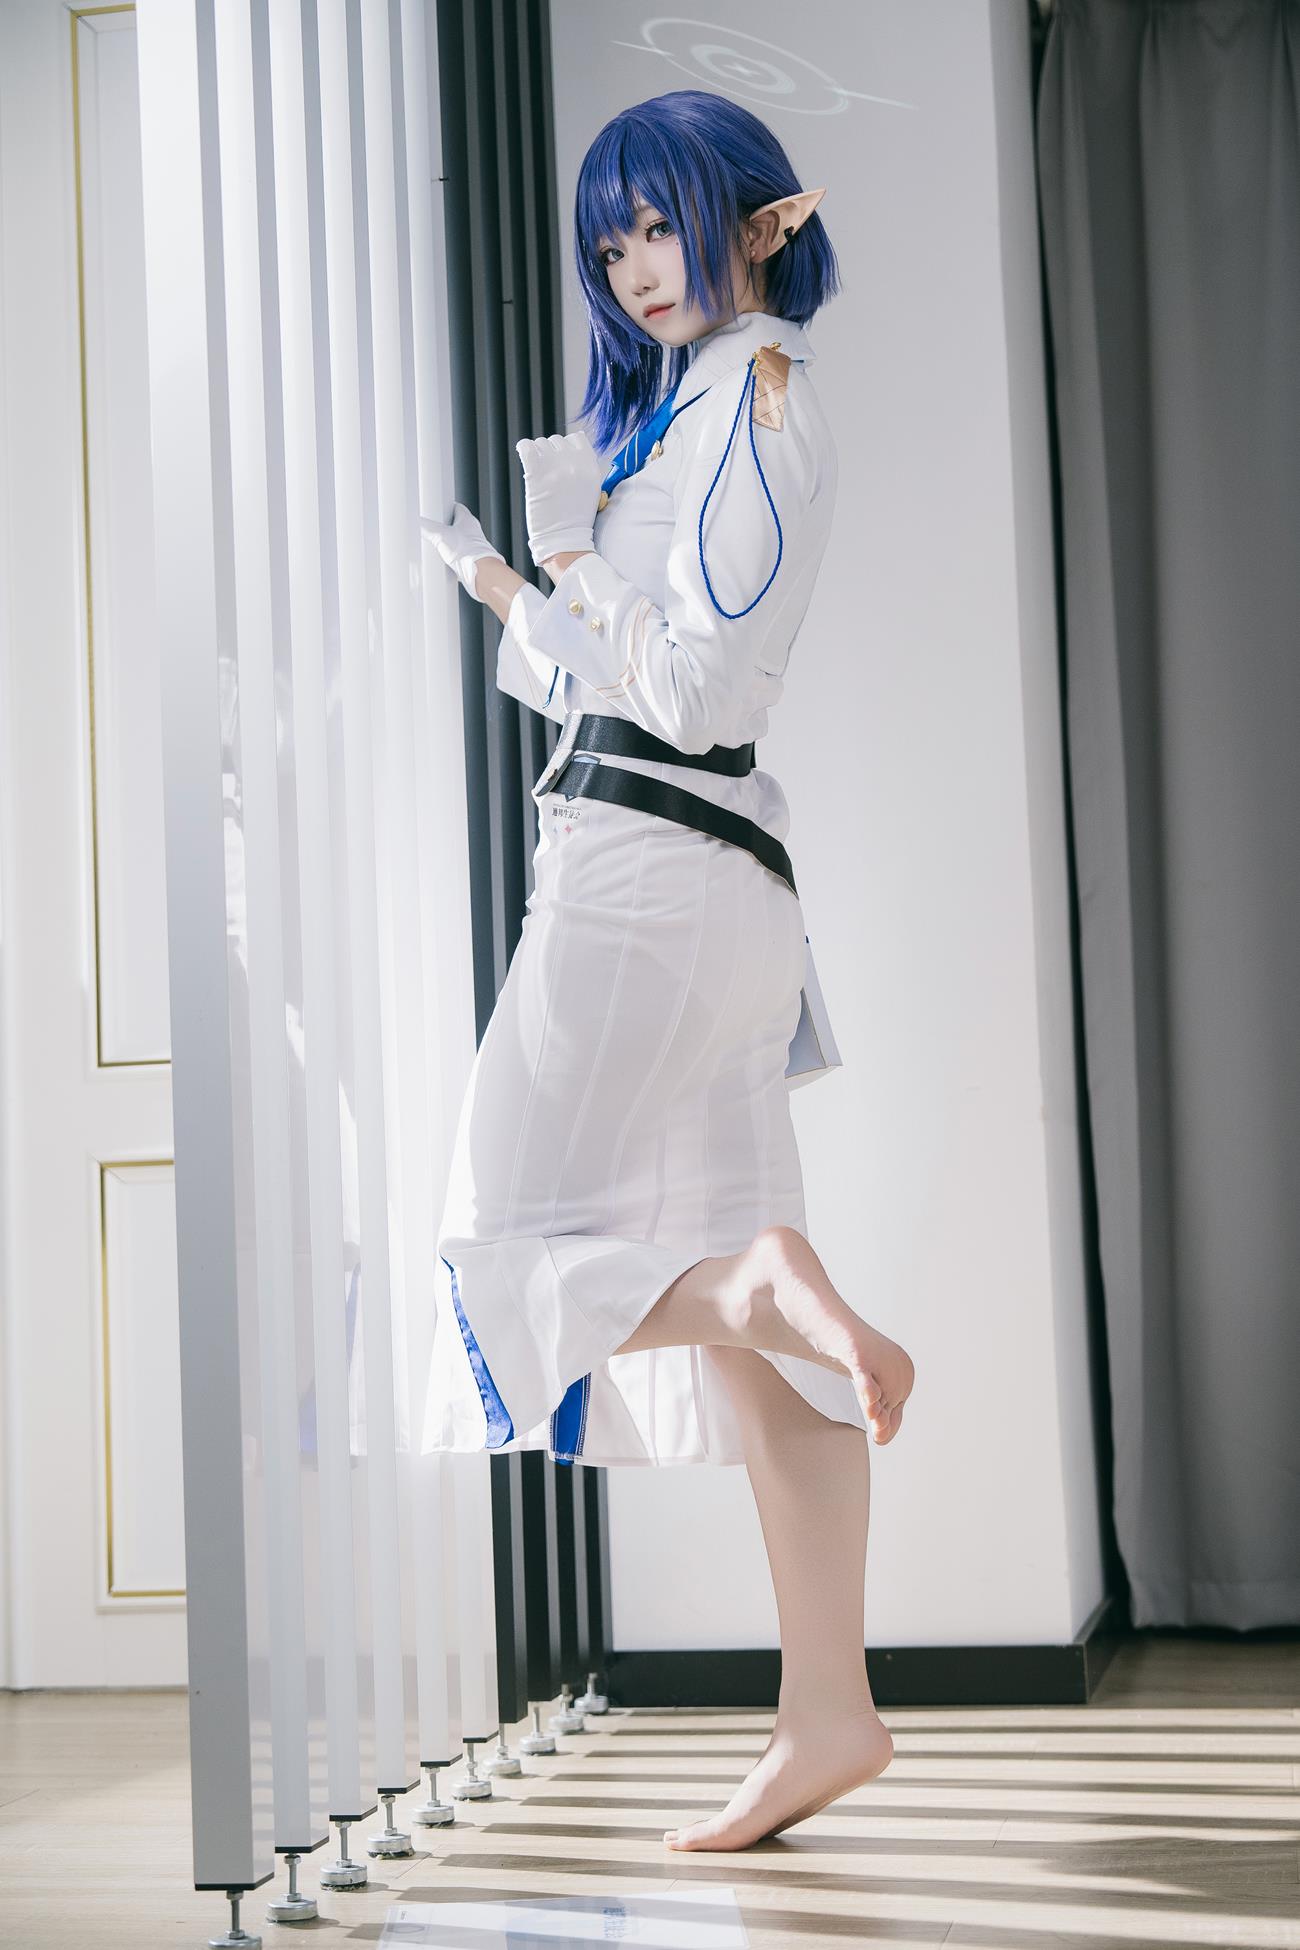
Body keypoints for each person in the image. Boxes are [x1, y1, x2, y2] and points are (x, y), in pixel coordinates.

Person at [422, 87, 915, 1851]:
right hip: (699, 884)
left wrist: (568, 560)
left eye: (660, 222)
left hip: (646, 878)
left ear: (756, 220)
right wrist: (510, 585)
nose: (636, 264)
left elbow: (696, 693)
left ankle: (762, 1284)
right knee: (769, 1372)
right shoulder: (694, 408)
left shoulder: (761, 399)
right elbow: (620, 676)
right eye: (610, 239)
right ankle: (829, 1711)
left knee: (496, 1246)